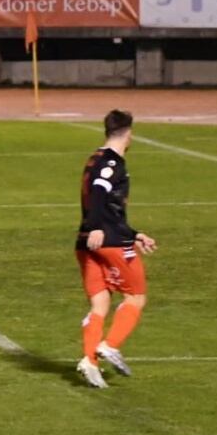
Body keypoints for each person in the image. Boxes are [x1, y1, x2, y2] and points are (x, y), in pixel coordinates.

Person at [74, 110, 157, 389]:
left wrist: (134, 234)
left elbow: (108, 206)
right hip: (107, 240)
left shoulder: (94, 158)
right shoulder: (112, 162)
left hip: (87, 241)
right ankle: (109, 345)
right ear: (128, 133)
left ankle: (89, 360)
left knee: (100, 304)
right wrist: (99, 227)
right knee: (136, 297)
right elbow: (99, 192)